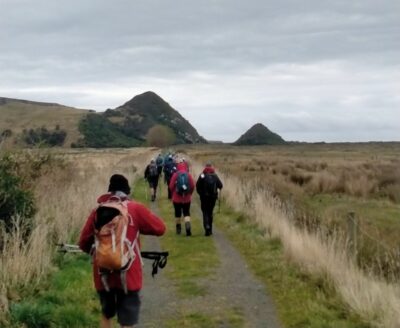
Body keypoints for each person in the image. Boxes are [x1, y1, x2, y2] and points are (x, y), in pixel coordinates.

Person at [79, 174, 166, 328]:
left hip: (103, 274)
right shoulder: (135, 209)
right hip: (129, 273)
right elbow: (160, 228)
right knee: (127, 321)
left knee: (106, 315)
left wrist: (101, 251)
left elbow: (83, 242)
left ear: (110, 191)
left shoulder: (97, 211)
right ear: (127, 191)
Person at [196, 163, 223, 236]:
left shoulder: (202, 175)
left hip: (204, 197)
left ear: (205, 167)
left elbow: (197, 186)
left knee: (205, 212)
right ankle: (210, 229)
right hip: (213, 197)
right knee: (210, 212)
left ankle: (206, 227)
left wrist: (200, 194)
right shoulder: (215, 176)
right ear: (211, 167)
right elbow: (220, 185)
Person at [169, 161, 195, 236]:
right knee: (186, 212)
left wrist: (173, 193)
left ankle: (178, 229)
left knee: (177, 213)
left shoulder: (175, 175)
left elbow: (170, 186)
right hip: (186, 198)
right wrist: (190, 193)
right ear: (185, 167)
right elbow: (193, 186)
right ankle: (187, 227)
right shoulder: (188, 175)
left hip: (176, 199)